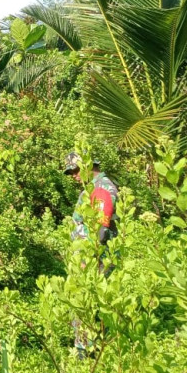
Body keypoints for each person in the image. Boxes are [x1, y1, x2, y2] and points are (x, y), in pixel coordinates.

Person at [63, 151, 119, 358]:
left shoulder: (102, 188)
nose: (74, 175)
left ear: (89, 165)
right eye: (71, 172)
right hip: (89, 255)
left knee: (87, 302)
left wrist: (90, 258)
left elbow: (101, 228)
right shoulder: (91, 188)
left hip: (96, 257)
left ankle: (85, 352)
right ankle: (92, 348)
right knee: (89, 302)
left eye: (76, 170)